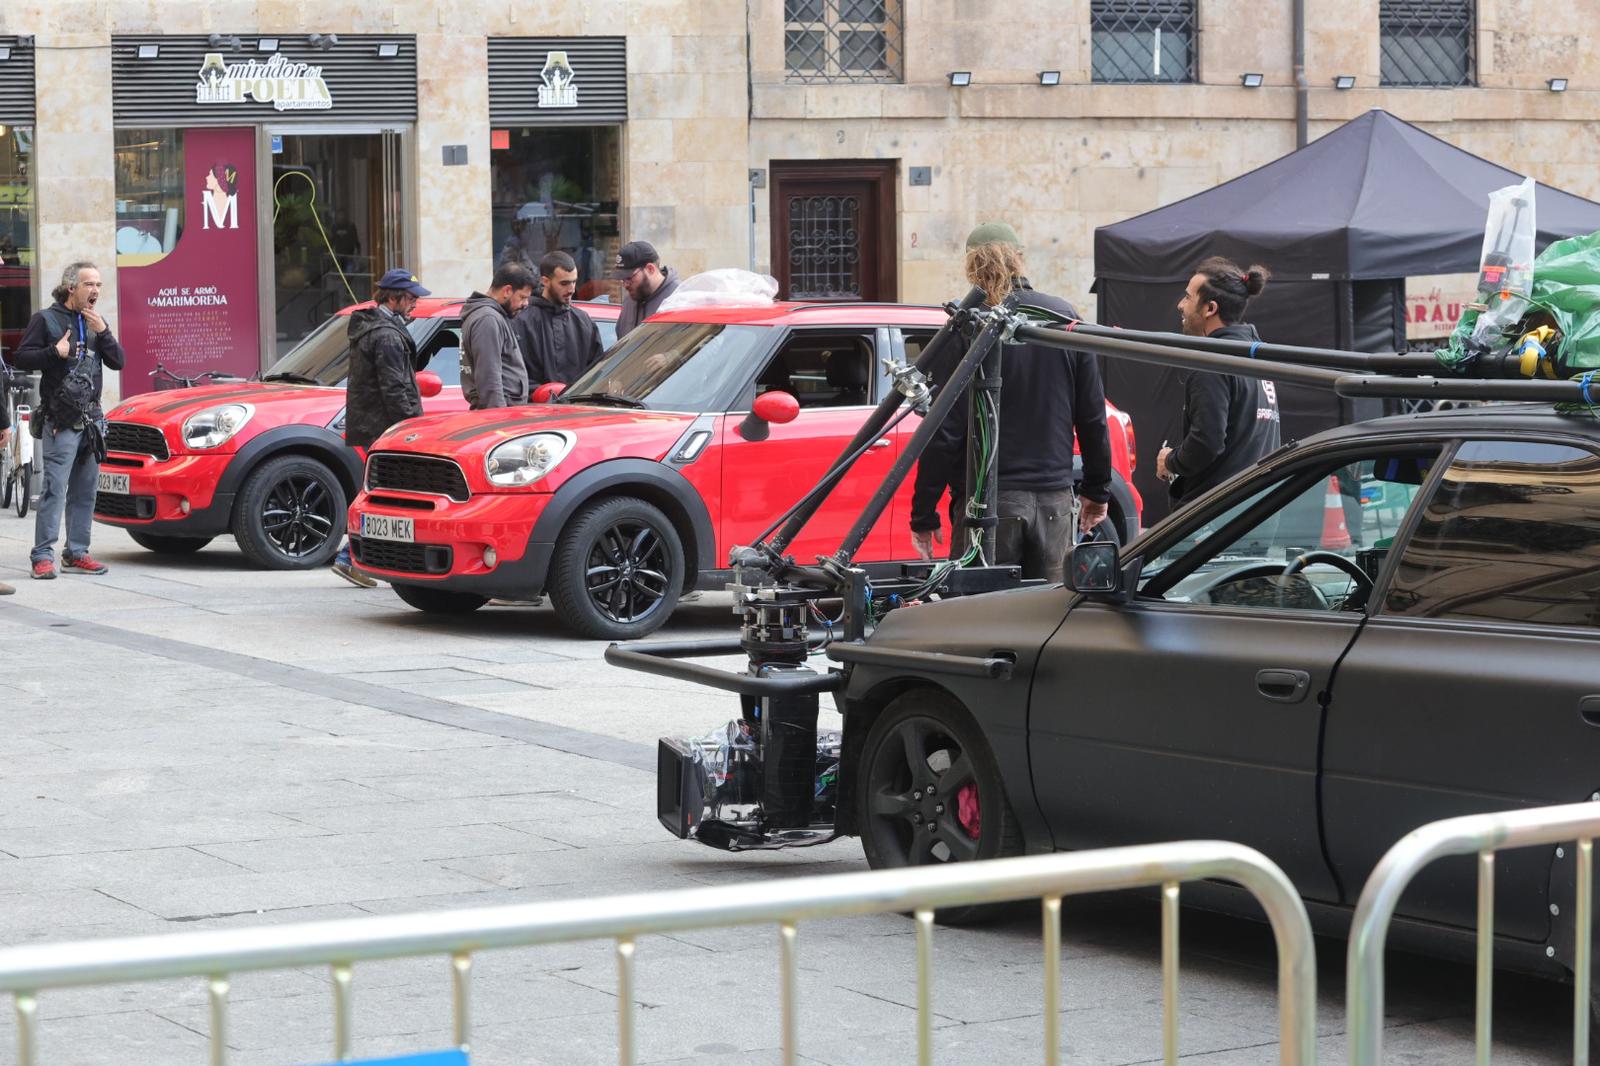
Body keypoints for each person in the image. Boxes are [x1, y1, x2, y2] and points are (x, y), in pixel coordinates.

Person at [909, 224, 1112, 584]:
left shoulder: (968, 324)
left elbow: (944, 431)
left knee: (982, 609)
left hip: (989, 503)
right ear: (1019, 258)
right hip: (1053, 500)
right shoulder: (1063, 318)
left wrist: (924, 513)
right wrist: (1097, 490)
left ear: (971, 266)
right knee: (1049, 610)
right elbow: (1092, 417)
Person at [14, 260, 125, 580]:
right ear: (70, 288)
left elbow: (118, 362)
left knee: (86, 491)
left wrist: (104, 333)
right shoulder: (45, 319)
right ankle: (42, 556)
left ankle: (76, 553)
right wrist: (54, 352)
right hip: (60, 422)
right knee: (54, 489)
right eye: (89, 284)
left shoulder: (96, 323)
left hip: (92, 420)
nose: (96, 290)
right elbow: (22, 357)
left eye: (99, 284)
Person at [332, 267, 431, 587]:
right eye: (411, 298)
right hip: (386, 428)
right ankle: (350, 557)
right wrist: (410, 427)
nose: (415, 303)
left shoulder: (375, 326)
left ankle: (358, 558)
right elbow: (395, 387)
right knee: (385, 495)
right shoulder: (386, 335)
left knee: (385, 493)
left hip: (374, 425)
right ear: (393, 298)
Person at [1156, 257, 1282, 508]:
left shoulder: (1213, 364)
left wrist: (1170, 460)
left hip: (1217, 517)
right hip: (1256, 510)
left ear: (1210, 308)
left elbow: (1207, 442)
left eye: (1188, 297)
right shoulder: (1255, 356)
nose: (1181, 305)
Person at [516, 250, 604, 391]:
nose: (571, 289)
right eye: (564, 283)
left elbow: (597, 370)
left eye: (574, 282)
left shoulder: (584, 321)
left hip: (578, 403)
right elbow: (514, 374)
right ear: (545, 281)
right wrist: (541, 393)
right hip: (535, 403)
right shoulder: (522, 321)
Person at [461, 262, 536, 410]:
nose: (526, 303)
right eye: (522, 297)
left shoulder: (491, 316)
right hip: (500, 414)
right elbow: (489, 378)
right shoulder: (488, 319)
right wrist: (499, 417)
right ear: (507, 290)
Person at [613, 241, 680, 339]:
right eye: (622, 279)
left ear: (650, 269)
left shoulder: (678, 299)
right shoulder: (629, 301)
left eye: (629, 278)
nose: (625, 285)